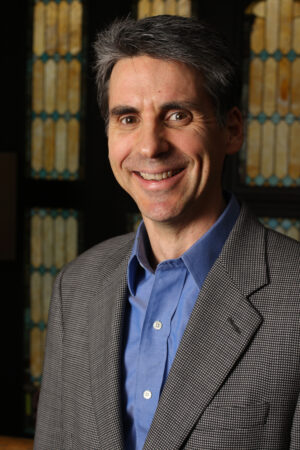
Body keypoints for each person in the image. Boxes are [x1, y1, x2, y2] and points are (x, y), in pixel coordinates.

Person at [34, 15, 300, 450]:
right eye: (127, 118)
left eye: (178, 115)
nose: (149, 146)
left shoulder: (295, 299)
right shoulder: (76, 287)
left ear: (232, 129)